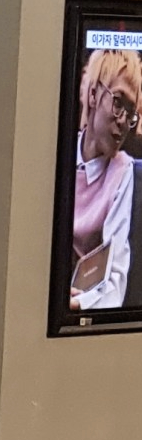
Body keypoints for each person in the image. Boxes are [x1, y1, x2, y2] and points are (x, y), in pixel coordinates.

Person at [71, 46, 138, 310]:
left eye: (131, 113)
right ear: (92, 95)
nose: (123, 121)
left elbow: (115, 282)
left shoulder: (122, 171)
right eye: (118, 102)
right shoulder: (58, 151)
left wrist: (76, 305)